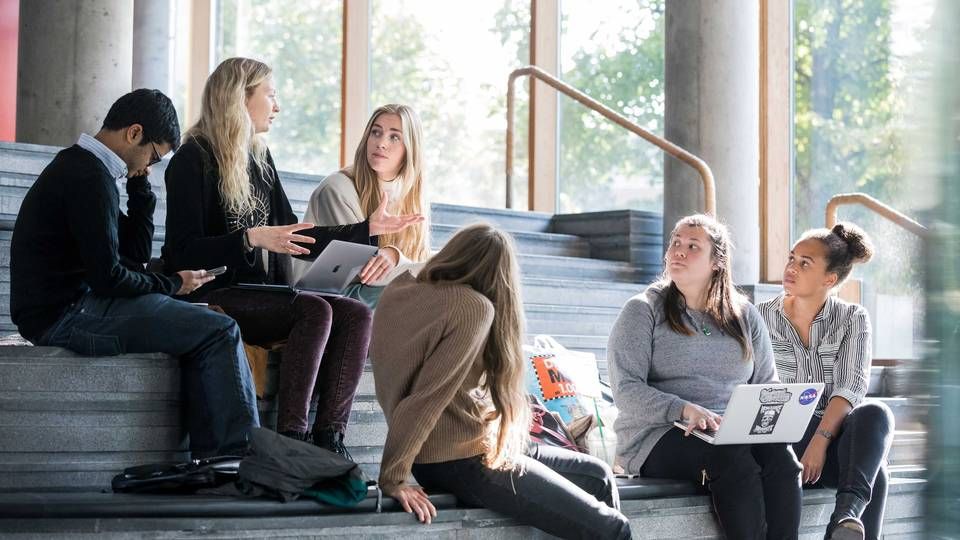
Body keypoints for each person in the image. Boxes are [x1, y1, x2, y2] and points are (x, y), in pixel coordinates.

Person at [162, 57, 421, 455]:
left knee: (356, 314)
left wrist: (366, 229)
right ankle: (291, 438)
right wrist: (249, 239)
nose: (277, 106)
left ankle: (329, 439)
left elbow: (296, 236)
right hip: (214, 293)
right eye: (271, 94)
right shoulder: (191, 158)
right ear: (240, 98)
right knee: (315, 310)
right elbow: (181, 251)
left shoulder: (260, 158)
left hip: (259, 293)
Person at [9, 89, 258, 457]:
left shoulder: (87, 170)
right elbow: (109, 277)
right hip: (65, 314)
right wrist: (174, 283)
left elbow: (135, 258)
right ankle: (236, 459)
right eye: (153, 156)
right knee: (220, 330)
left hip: (72, 306)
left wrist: (140, 186)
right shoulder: (87, 177)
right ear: (134, 133)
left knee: (205, 323)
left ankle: (216, 458)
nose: (150, 166)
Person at [370, 223, 631, 539]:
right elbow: (426, 397)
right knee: (614, 529)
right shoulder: (472, 307)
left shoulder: (400, 288)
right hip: (459, 458)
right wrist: (394, 477)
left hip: (476, 443)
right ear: (501, 276)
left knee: (599, 475)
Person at [608, 214, 803, 540]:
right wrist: (685, 410)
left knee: (781, 459)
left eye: (693, 246)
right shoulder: (642, 310)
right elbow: (626, 390)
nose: (678, 252)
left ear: (717, 262)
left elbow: (767, 383)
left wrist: (768, 413)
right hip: (660, 435)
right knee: (732, 458)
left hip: (732, 431)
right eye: (676, 243)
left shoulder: (744, 315)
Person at [758, 223, 893, 540]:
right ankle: (845, 522)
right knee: (877, 473)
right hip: (781, 440)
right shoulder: (760, 316)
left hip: (830, 441)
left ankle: (843, 519)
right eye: (792, 258)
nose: (791, 267)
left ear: (829, 279)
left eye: (805, 263)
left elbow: (850, 389)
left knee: (875, 413)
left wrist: (820, 441)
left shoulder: (852, 318)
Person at [292, 104, 430, 307]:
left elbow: (414, 263)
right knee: (427, 295)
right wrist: (397, 257)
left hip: (370, 292)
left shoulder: (410, 194)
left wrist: (396, 257)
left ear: (411, 149)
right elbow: (365, 273)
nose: (381, 143)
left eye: (394, 137)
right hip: (324, 299)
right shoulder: (337, 189)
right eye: (376, 132)